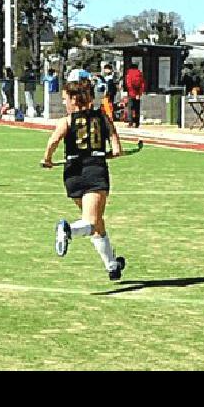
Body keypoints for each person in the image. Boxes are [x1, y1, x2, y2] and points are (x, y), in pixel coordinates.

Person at [41, 81, 126, 281]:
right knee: (90, 221)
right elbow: (114, 140)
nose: (64, 103)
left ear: (73, 99)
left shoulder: (66, 121)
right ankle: (68, 229)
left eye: (65, 99)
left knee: (97, 222)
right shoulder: (102, 117)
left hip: (72, 175)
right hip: (94, 171)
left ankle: (112, 265)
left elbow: (53, 141)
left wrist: (47, 159)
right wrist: (116, 151)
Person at [124, 63, 145, 128]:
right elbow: (142, 84)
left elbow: (128, 84)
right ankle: (137, 123)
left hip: (131, 93)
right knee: (137, 108)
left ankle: (130, 122)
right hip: (137, 94)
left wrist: (131, 92)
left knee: (130, 108)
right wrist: (139, 94)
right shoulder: (140, 73)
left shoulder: (129, 73)